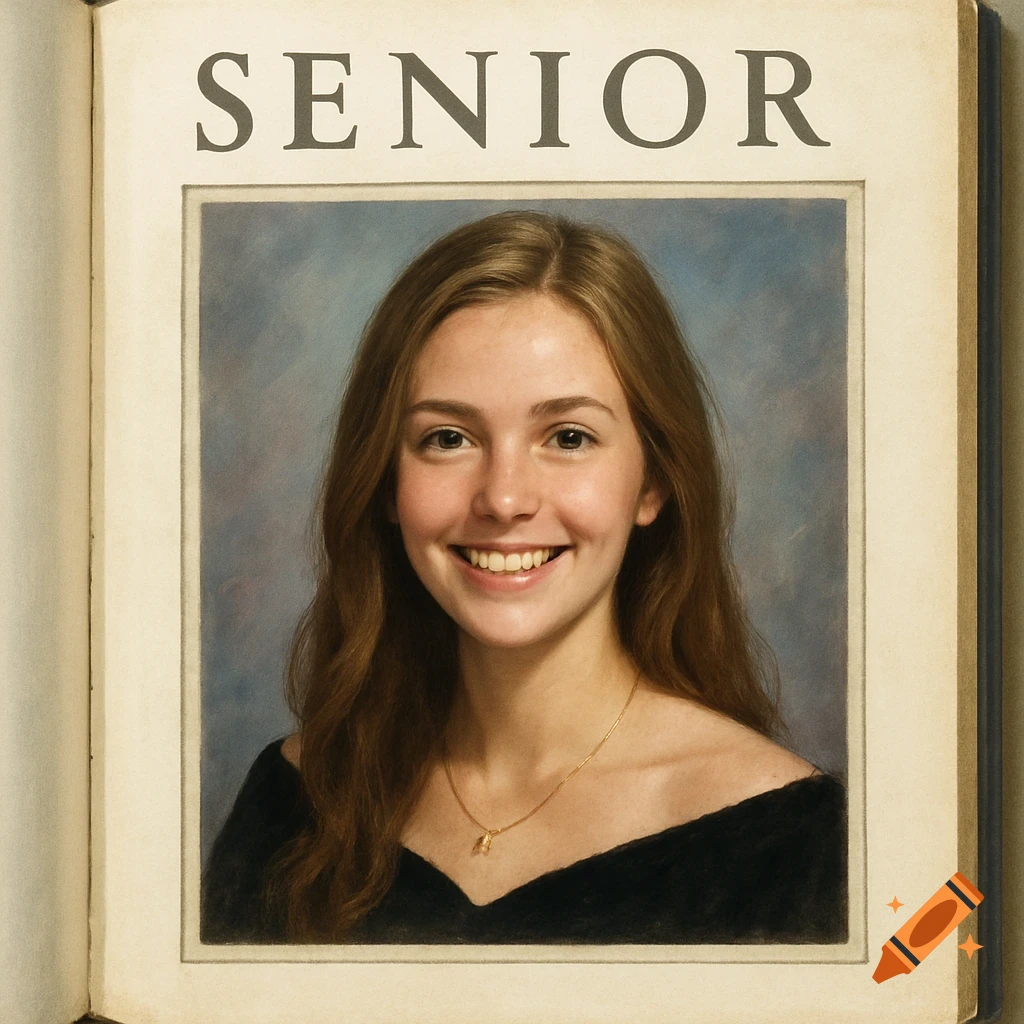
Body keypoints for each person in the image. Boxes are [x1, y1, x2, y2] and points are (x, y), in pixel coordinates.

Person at [201, 210, 847, 945]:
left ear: (653, 483)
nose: (504, 499)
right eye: (448, 438)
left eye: (568, 437)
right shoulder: (292, 803)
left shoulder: (795, 843)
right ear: (384, 483)